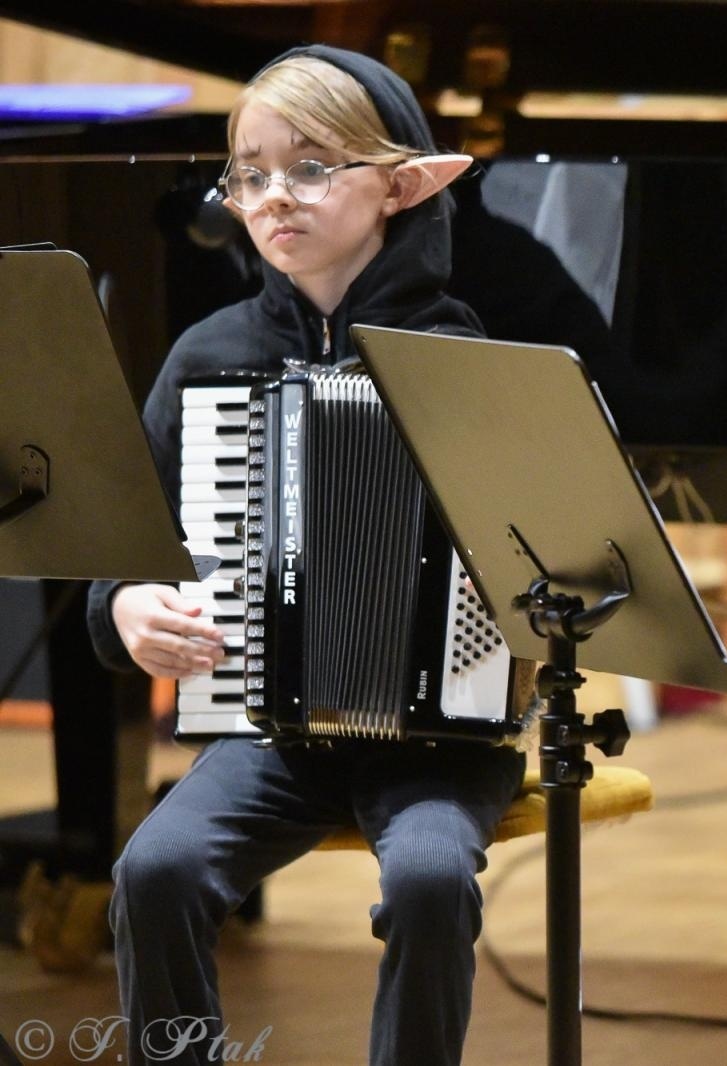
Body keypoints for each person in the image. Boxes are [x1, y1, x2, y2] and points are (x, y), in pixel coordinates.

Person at [83, 45, 525, 1066]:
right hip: (265, 727)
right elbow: (124, 554)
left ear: (403, 184)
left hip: (440, 742)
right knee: (155, 867)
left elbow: (559, 569)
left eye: (313, 166)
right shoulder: (207, 357)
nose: (275, 195)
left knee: (425, 882)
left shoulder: (472, 367)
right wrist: (126, 611)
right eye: (249, 172)